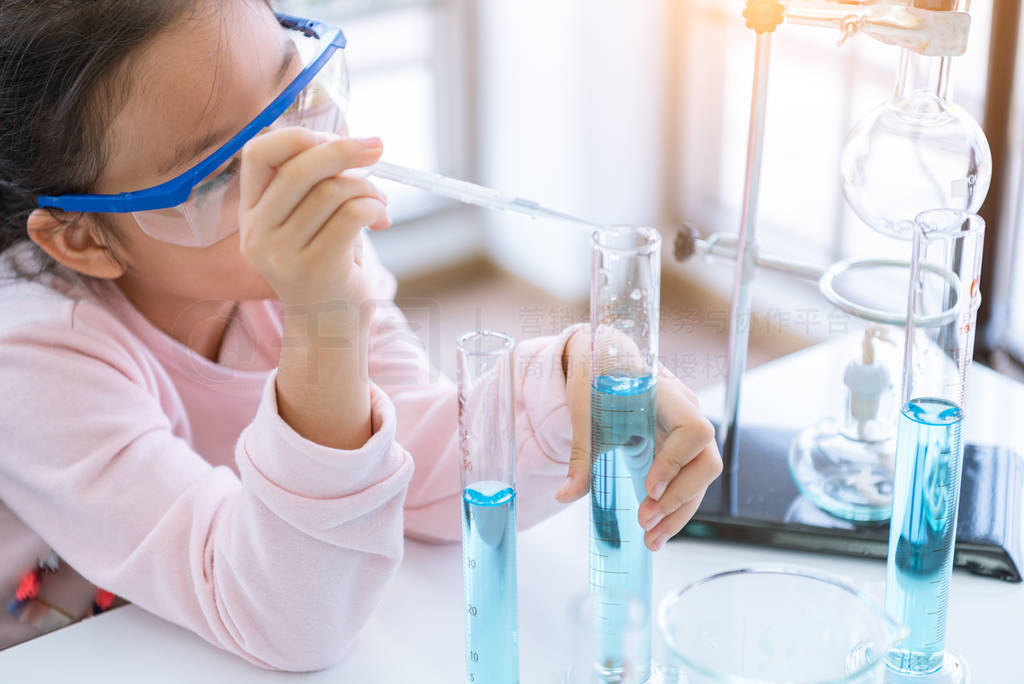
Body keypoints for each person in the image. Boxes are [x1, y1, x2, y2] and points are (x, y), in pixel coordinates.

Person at [0, 0, 721, 670]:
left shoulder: (289, 263)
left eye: (298, 89)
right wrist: (324, 325)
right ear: (82, 236)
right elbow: (291, 621)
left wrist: (571, 378)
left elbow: (422, 467)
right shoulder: (30, 359)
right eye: (224, 171)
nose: (303, 167)